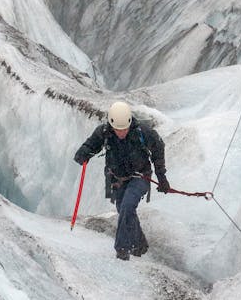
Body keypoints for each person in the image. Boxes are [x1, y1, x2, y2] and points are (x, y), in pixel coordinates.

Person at [73, 101, 170, 261]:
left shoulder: (143, 132)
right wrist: (84, 153)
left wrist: (162, 177)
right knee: (124, 209)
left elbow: (158, 148)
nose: (121, 132)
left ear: (130, 123)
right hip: (116, 179)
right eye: (118, 129)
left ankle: (122, 250)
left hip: (140, 176)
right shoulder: (104, 132)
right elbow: (91, 145)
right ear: (111, 125)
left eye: (124, 128)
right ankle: (140, 244)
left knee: (127, 206)